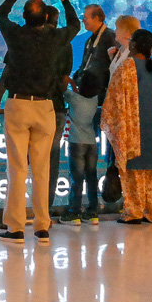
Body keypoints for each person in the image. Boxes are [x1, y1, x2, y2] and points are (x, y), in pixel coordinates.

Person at [0, 0, 81, 244]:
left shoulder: (16, 35)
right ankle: (42, 225)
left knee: (17, 168)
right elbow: (76, 24)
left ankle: (16, 227)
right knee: (42, 169)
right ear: (46, 18)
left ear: (24, 17)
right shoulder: (56, 38)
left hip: (18, 104)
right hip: (45, 107)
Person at [102, 30, 152, 224]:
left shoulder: (128, 66)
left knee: (134, 171)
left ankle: (134, 212)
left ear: (133, 45)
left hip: (133, 128)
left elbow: (114, 97)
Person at [59, 69, 101, 225]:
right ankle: (92, 212)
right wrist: (76, 85)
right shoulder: (95, 100)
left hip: (76, 142)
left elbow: (62, 90)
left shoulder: (74, 99)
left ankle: (74, 212)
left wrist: (70, 82)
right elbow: (79, 94)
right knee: (91, 178)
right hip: (91, 142)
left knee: (77, 179)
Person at [44, 6, 74, 214]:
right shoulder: (66, 43)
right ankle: (45, 208)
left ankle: (19, 210)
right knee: (51, 160)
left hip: (33, 104)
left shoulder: (27, 40)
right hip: (57, 107)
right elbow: (65, 80)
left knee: (20, 160)